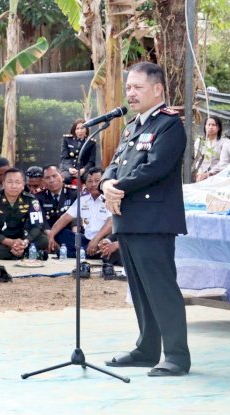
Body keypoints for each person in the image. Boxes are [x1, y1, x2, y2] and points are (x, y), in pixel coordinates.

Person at [100, 61, 190, 377]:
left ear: (157, 89)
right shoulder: (132, 126)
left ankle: (176, 355)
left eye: (138, 87)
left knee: (161, 288)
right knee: (139, 289)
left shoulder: (169, 125)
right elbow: (115, 163)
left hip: (154, 220)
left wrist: (116, 188)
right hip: (129, 219)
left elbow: (154, 168)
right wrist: (106, 183)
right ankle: (147, 348)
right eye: (128, 87)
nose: (131, 93)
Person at [0, 168, 48, 260]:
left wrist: (25, 242)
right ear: (3, 184)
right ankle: (25, 254)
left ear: (23, 185)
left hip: (21, 239)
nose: (14, 186)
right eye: (10, 182)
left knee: (43, 240)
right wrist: (9, 242)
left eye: (18, 182)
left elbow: (37, 225)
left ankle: (15, 253)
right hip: (0, 240)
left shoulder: (31, 200)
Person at [47, 167, 112, 258]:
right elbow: (65, 218)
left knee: (104, 245)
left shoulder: (109, 198)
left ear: (103, 182)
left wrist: (96, 240)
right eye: (89, 181)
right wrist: (51, 236)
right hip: (85, 240)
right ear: (85, 184)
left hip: (103, 240)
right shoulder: (82, 200)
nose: (93, 184)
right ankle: (84, 253)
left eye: (97, 181)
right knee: (60, 233)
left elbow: (111, 223)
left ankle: (77, 254)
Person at [36, 164, 77, 233]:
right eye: (47, 178)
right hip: (48, 233)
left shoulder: (74, 193)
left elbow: (76, 219)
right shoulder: (39, 197)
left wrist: (75, 237)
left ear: (62, 177)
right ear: (43, 181)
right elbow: (42, 220)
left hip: (70, 232)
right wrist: (50, 236)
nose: (51, 180)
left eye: (54, 176)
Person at [60, 119, 97, 183]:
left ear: (86, 130)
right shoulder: (67, 139)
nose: (80, 131)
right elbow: (64, 158)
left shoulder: (91, 143)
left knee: (89, 179)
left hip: (83, 170)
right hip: (68, 169)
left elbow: (91, 162)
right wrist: (69, 168)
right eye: (77, 128)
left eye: (82, 128)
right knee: (65, 178)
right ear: (74, 130)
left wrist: (83, 170)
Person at [194, 116, 224, 181]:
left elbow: (223, 161)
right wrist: (199, 172)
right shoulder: (199, 141)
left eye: (213, 125)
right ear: (205, 126)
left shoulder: (224, 142)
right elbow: (197, 159)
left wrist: (209, 174)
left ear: (218, 127)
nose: (210, 127)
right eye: (208, 125)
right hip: (201, 174)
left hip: (218, 175)